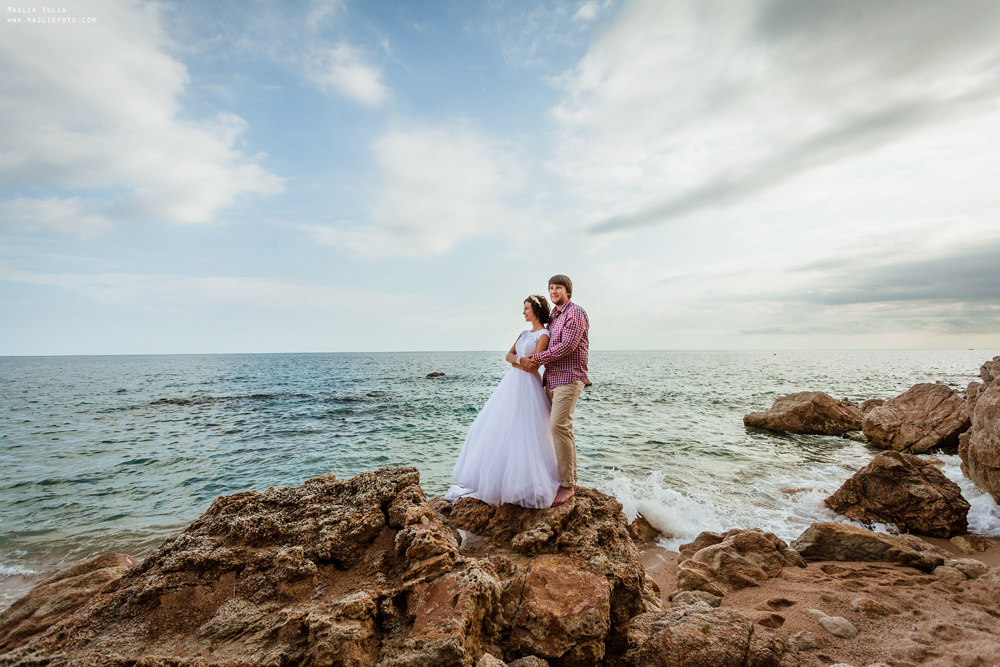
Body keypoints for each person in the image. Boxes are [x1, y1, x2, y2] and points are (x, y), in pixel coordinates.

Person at [445, 295, 561, 509]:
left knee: (527, 431)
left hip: (529, 386)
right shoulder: (524, 333)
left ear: (535, 311)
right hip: (512, 384)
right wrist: (519, 360)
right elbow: (509, 356)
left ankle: (525, 482)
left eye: (526, 308)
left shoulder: (544, 334)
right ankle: (501, 480)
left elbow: (533, 366)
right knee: (503, 427)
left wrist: (523, 362)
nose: (523, 312)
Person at [520, 275, 589, 507]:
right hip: (552, 379)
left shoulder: (575, 312)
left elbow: (567, 346)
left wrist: (536, 358)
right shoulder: (554, 319)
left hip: (570, 377)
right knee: (550, 429)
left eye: (558, 287)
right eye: (550, 288)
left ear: (567, 291)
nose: (553, 291)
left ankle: (568, 485)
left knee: (559, 426)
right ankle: (554, 476)